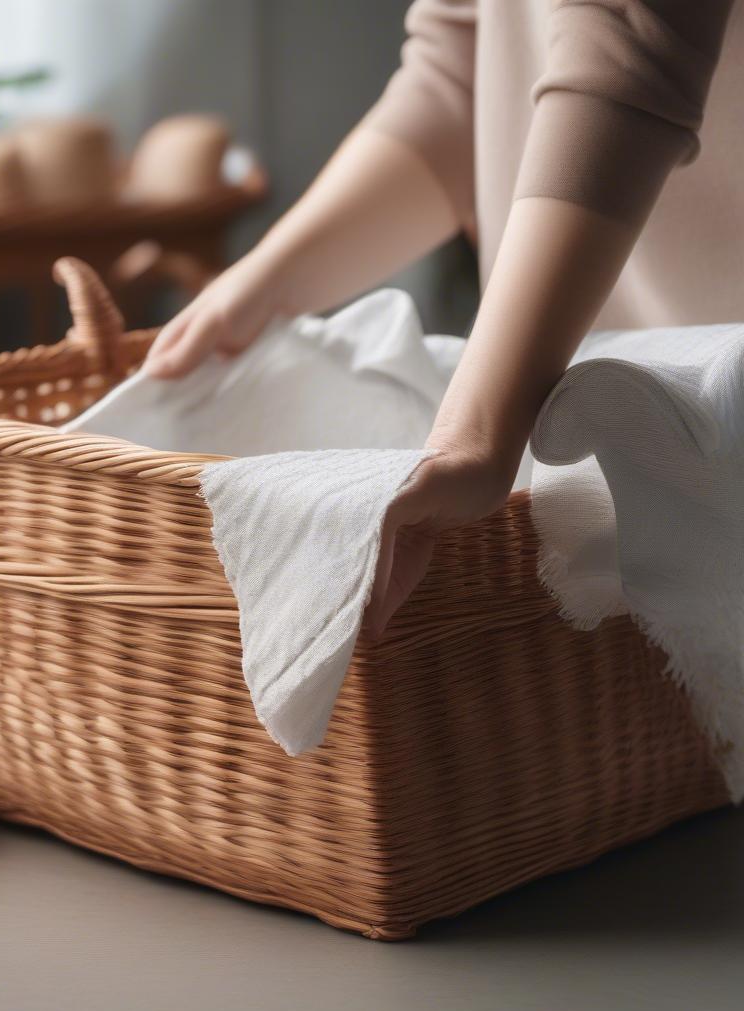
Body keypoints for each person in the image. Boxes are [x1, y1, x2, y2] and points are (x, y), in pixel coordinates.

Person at [142, 0, 741, 633]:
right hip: (649, 422)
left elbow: (619, 53)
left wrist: (474, 436)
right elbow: (463, 78)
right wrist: (268, 281)